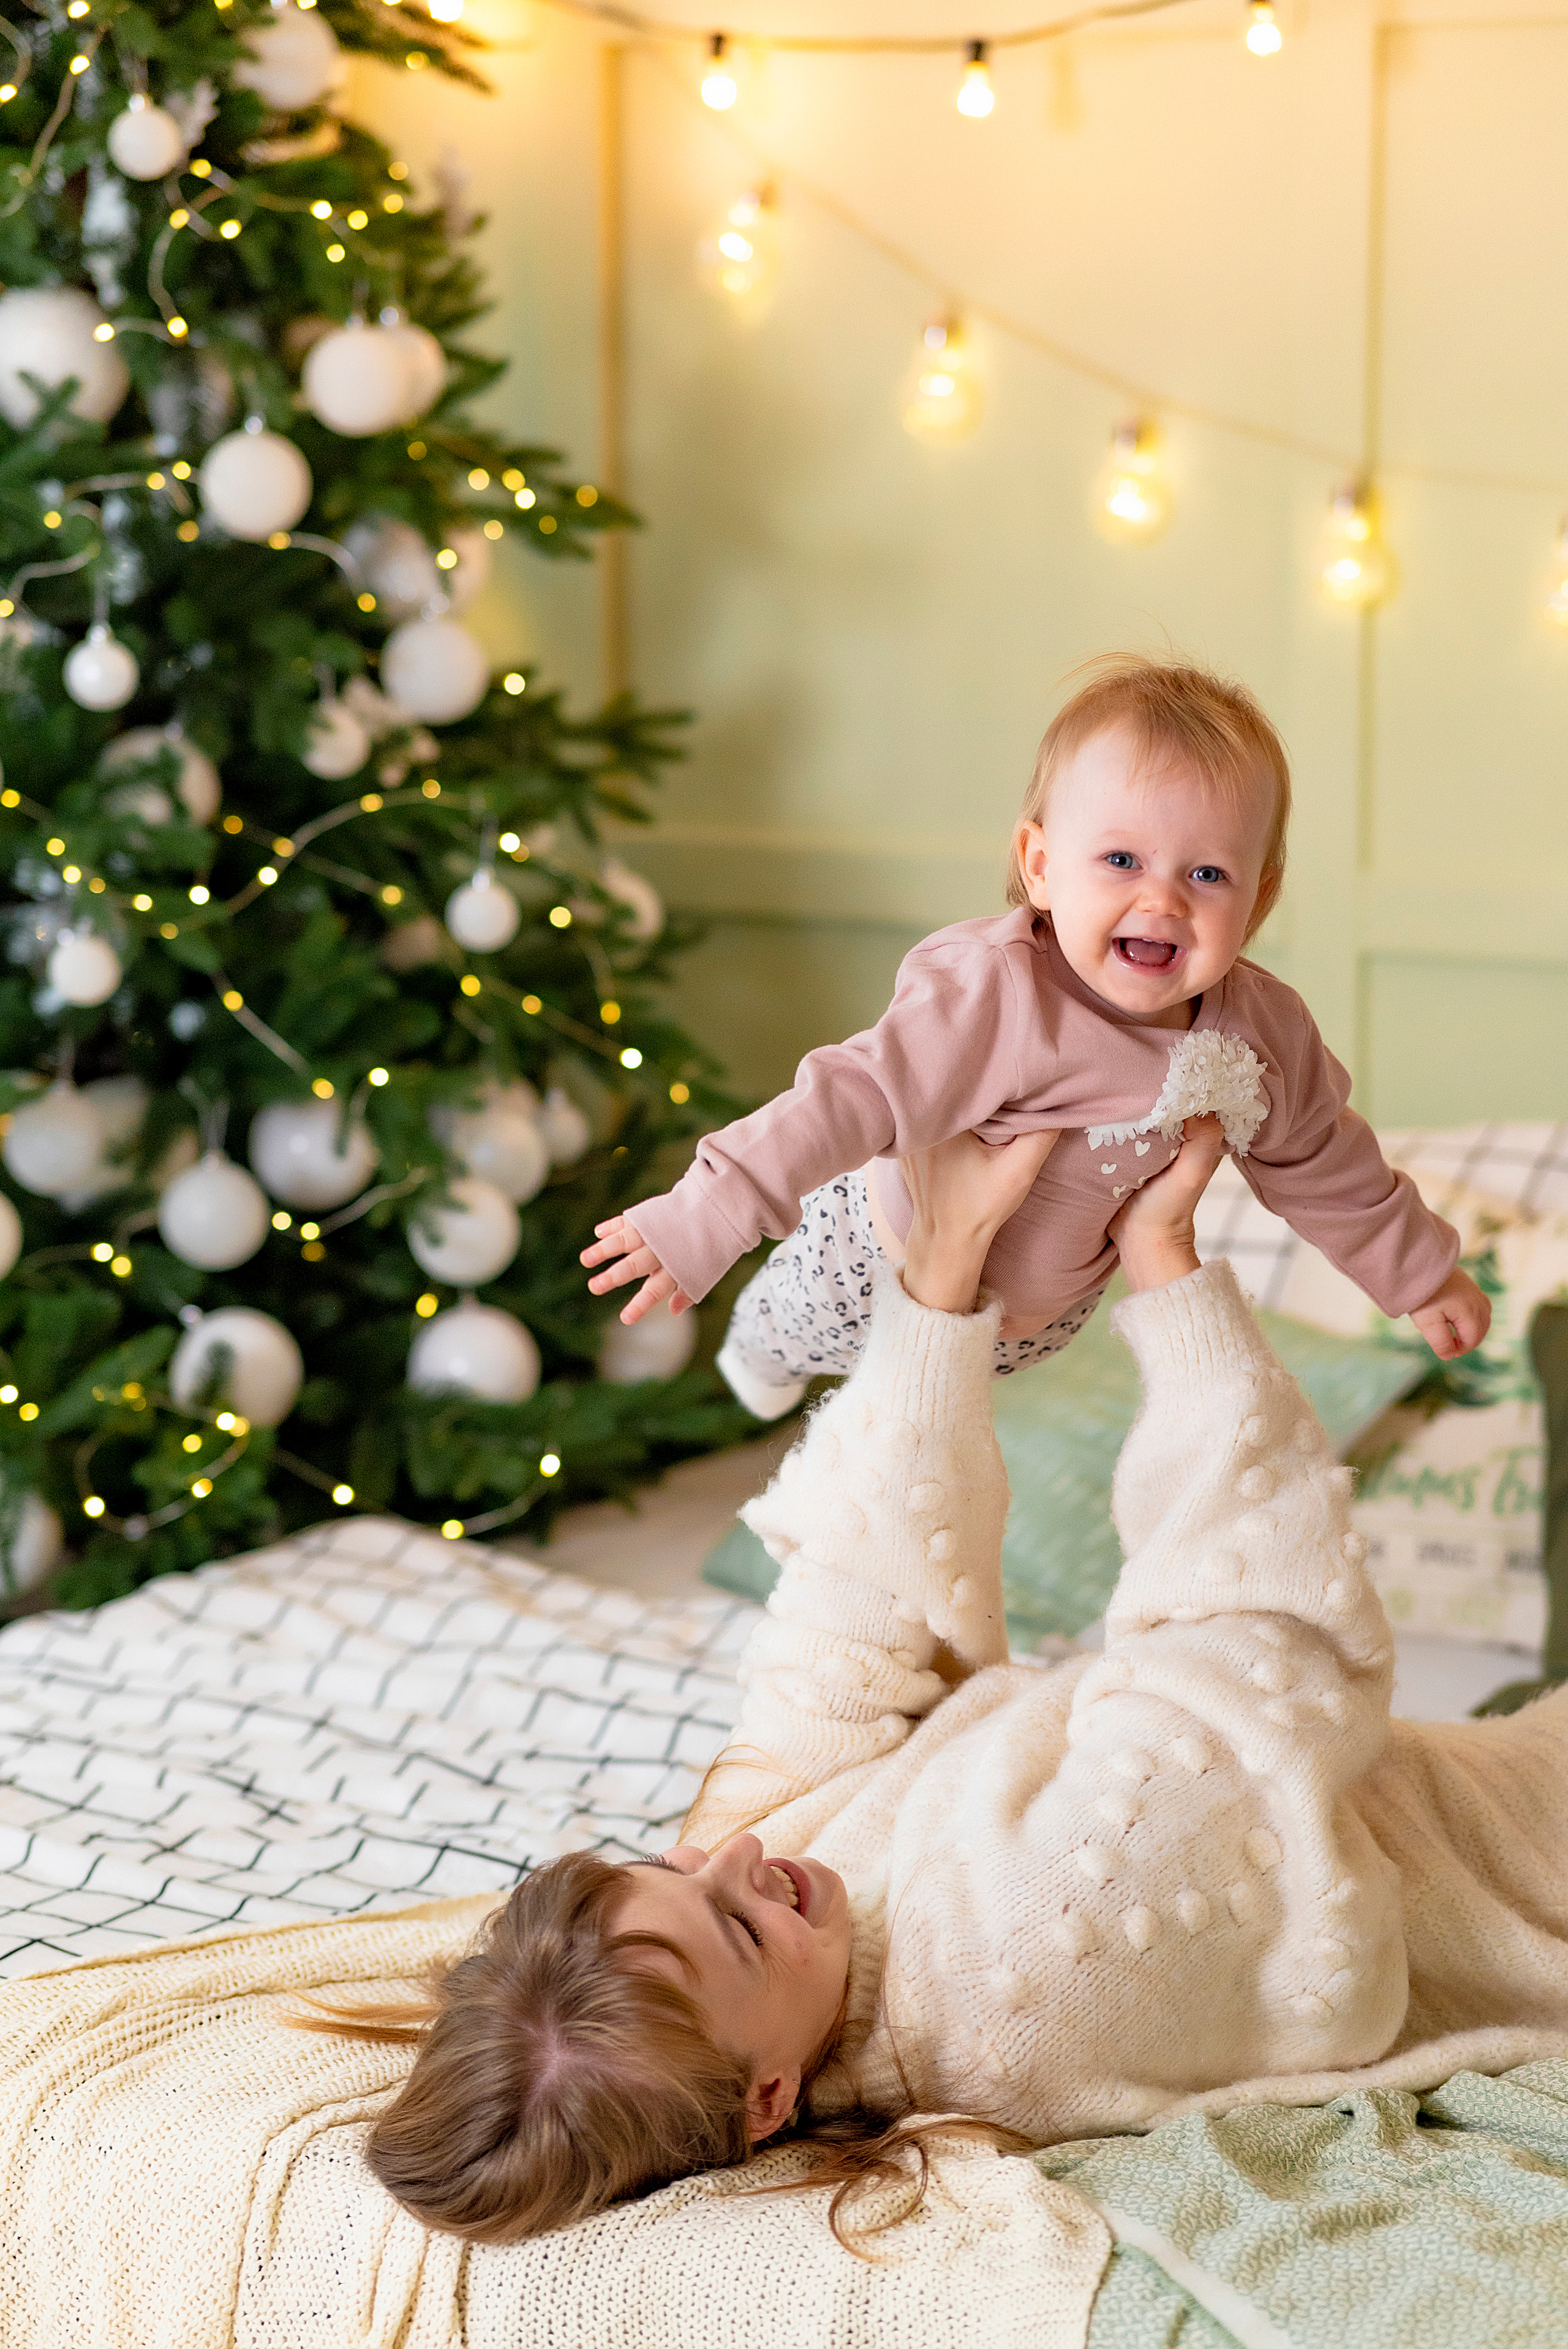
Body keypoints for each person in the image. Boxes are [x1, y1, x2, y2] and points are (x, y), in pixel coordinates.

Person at [322, 1120, 1568, 2248]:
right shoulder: (1028, 1969)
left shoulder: (776, 1907)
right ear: (763, 2103)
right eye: (740, 1925)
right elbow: (1256, 1638)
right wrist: (1166, 1269)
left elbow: (854, 1608)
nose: (739, 1861)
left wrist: (943, 1265)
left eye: (670, 1869)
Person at [581, 656, 1488, 1419]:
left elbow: (1325, 1161)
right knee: (795, 1334)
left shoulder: (1264, 1033)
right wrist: (707, 1211)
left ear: (1260, 899)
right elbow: (851, 1095)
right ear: (1043, 865)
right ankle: (763, 1359)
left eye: (1208, 872)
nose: (1162, 899)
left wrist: (1421, 1276)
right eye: (1122, 860)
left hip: (1044, 1324)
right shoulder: (997, 990)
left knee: (937, 1446)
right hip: (876, 1255)